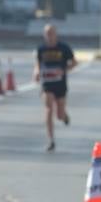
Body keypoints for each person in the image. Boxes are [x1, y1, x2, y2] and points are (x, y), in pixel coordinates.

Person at [33, 24, 77, 152]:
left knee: (59, 115)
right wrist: (36, 72)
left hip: (60, 85)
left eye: (51, 33)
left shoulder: (64, 48)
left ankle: (64, 116)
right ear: (44, 35)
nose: (49, 36)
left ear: (56, 34)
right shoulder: (41, 49)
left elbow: (74, 62)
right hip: (47, 84)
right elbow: (38, 63)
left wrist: (64, 70)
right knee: (48, 109)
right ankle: (51, 140)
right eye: (47, 33)